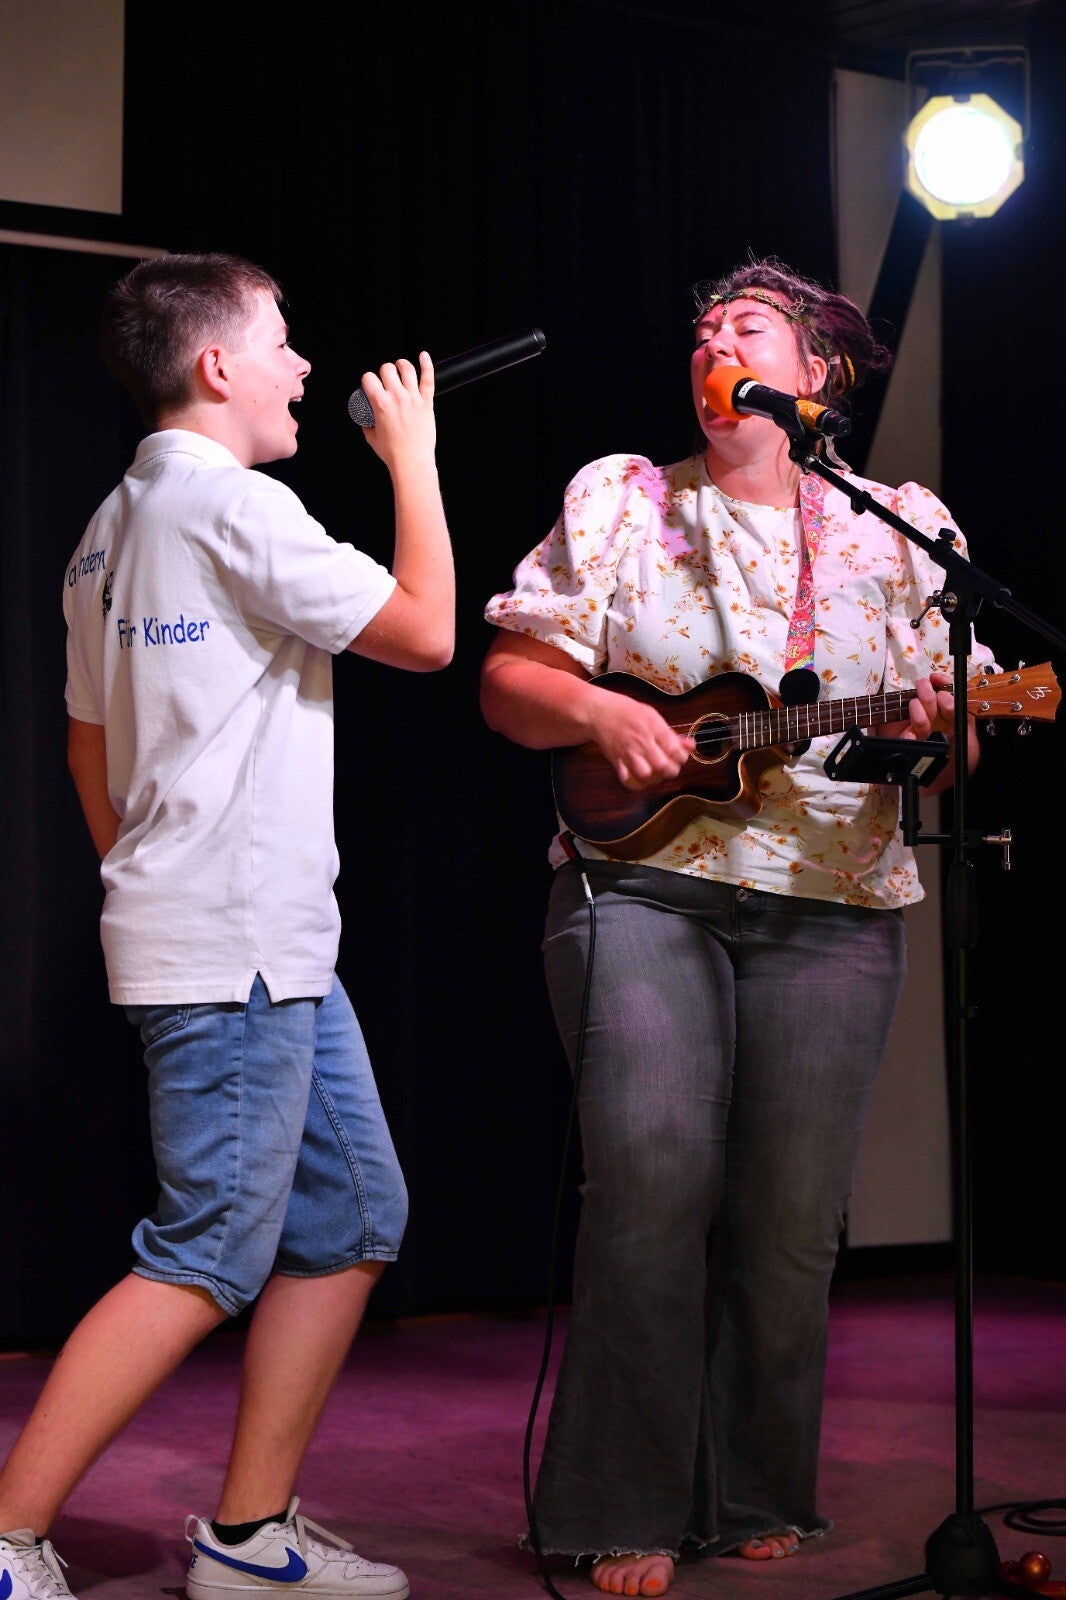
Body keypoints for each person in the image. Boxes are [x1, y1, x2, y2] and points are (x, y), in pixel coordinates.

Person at [479, 256, 995, 1597]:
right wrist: (603, 713)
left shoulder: (900, 527)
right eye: (700, 330)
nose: (712, 343)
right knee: (651, 1180)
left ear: (816, 370)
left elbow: (952, 757)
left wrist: (939, 734)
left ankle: (760, 1485)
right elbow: (511, 681)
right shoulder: (623, 499)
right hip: (641, 879)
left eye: (745, 327)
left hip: (833, 895)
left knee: (790, 1217)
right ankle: (623, 1503)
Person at [0, 252, 454, 1600]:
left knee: (353, 1217)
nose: (303, 367)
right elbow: (427, 632)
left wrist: (157, 885)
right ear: (215, 365)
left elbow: (88, 752)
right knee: (206, 1250)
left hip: (256, 939)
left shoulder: (107, 528)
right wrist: (414, 457)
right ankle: (7, 1536)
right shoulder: (237, 504)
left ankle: (250, 1539)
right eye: (281, 340)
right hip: (237, 942)